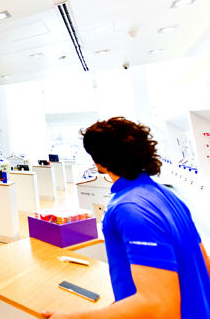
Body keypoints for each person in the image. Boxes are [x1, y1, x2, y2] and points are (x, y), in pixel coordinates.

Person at [43, 117, 210, 319]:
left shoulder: (128, 208)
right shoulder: (167, 196)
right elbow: (203, 264)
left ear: (99, 161)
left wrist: (75, 317)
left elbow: (159, 307)